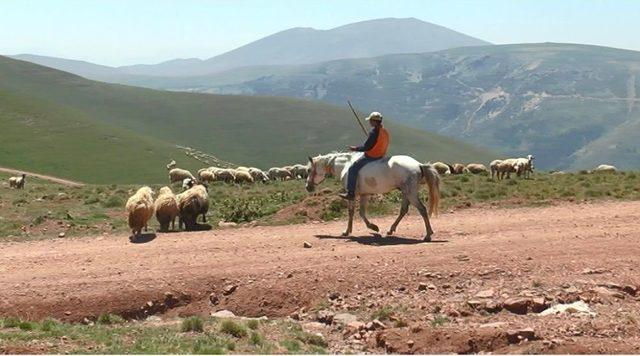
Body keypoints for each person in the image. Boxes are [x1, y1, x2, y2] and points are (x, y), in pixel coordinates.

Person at [339, 111, 390, 200]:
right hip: (381, 155)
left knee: (352, 169)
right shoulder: (384, 131)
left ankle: (350, 193)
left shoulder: (373, 132)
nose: (369, 122)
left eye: (370, 120)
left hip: (372, 156)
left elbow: (366, 147)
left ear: (374, 121)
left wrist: (355, 148)